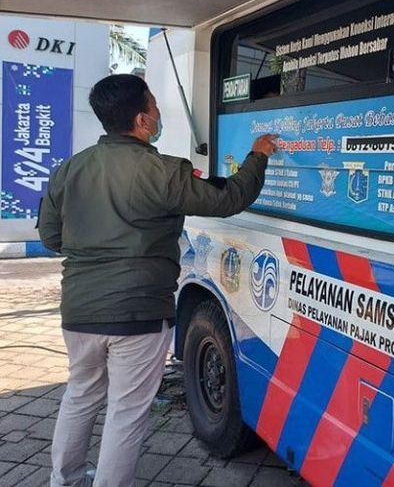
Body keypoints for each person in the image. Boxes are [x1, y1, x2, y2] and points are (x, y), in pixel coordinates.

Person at [38, 74, 277, 487]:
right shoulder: (163, 171)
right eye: (154, 105)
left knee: (80, 394)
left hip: (78, 310)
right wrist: (257, 156)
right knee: (126, 411)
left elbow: (50, 237)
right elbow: (228, 199)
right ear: (141, 120)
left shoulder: (68, 170)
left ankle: (65, 479)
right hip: (139, 312)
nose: (159, 112)